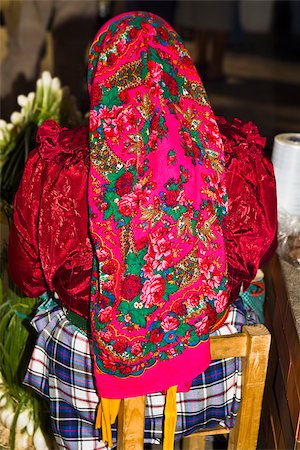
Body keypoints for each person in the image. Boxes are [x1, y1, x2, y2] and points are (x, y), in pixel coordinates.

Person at [8, 12, 277, 450]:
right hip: (202, 377)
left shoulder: (57, 167)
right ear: (182, 73)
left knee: (56, 319)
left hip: (85, 380)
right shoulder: (232, 156)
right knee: (249, 301)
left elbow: (26, 277)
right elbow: (251, 255)